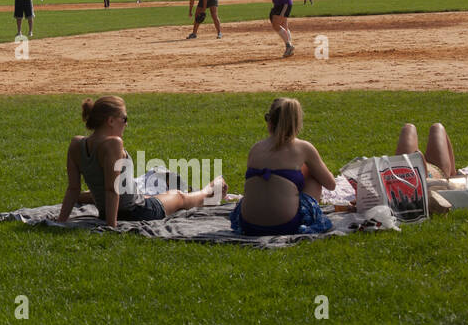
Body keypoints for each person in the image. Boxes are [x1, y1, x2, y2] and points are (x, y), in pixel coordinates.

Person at [57, 96, 225, 225]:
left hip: (107, 211)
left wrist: (61, 220)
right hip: (136, 212)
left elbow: (73, 188)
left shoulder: (76, 144)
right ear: (110, 121)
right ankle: (211, 191)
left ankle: (208, 191)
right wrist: (111, 226)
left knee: (149, 193)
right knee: (179, 196)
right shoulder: (113, 144)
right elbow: (111, 189)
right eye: (124, 119)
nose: (126, 125)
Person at [230, 98, 334, 236]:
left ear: (270, 121)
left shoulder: (256, 148)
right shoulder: (303, 148)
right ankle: (304, 220)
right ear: (297, 123)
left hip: (248, 225)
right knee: (313, 177)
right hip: (286, 226)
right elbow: (330, 184)